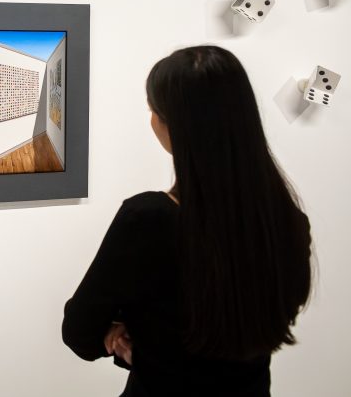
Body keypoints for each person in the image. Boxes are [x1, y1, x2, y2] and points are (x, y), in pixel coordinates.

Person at [62, 45, 312, 396]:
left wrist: (128, 332)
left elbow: (80, 331)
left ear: (173, 125)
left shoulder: (147, 219)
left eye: (153, 110)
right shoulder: (287, 221)